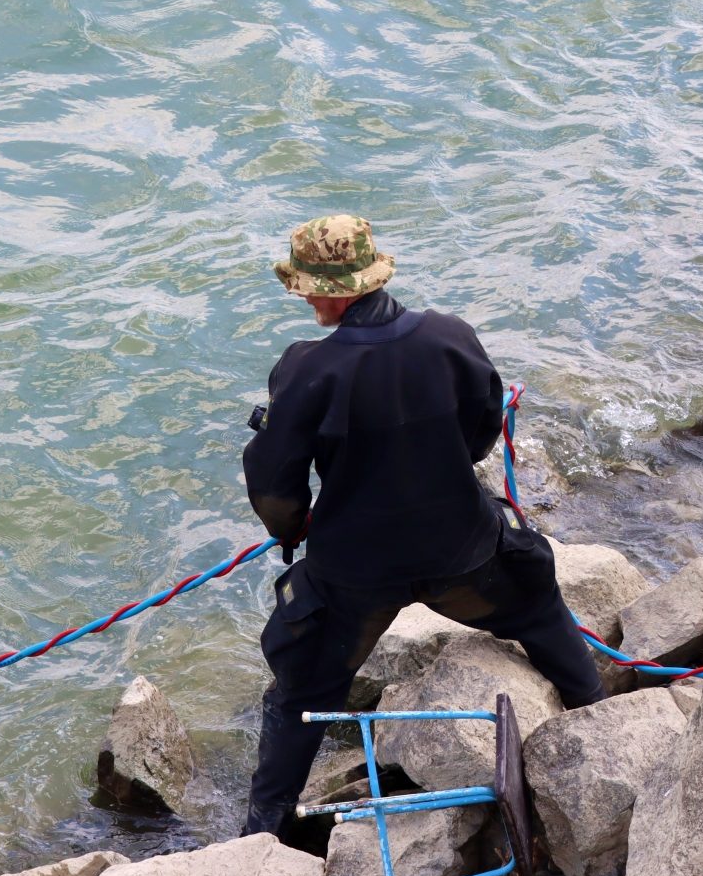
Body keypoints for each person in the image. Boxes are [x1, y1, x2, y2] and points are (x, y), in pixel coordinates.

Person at [238, 215, 605, 835]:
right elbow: (484, 429)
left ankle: (262, 830)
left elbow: (273, 482)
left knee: (302, 691)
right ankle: (598, 718)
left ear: (336, 291)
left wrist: (294, 526)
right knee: (538, 608)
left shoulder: (306, 370)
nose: (303, 298)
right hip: (462, 553)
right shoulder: (450, 336)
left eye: (307, 287)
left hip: (353, 575)